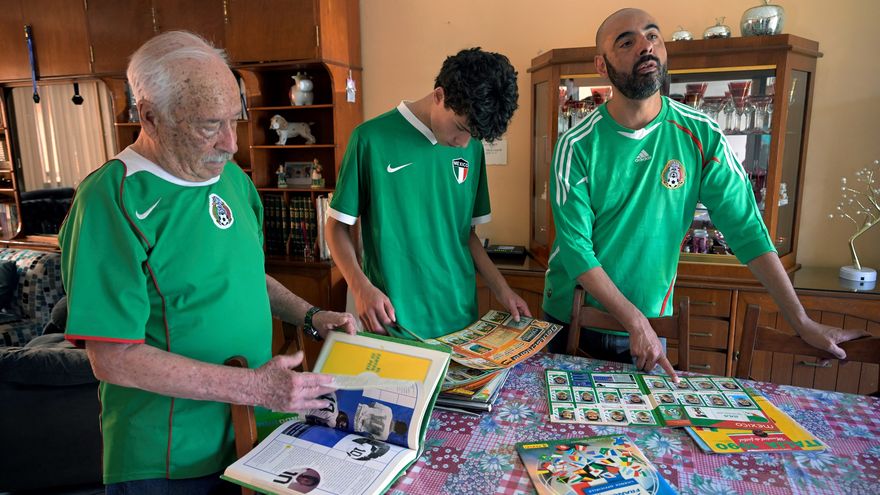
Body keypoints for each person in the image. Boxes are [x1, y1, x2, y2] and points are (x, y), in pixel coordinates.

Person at [58, 31, 357, 491]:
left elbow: (244, 277)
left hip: (249, 433)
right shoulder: (110, 199)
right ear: (149, 116)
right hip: (167, 457)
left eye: (234, 120)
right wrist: (252, 386)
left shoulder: (233, 180)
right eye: (208, 125)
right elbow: (113, 359)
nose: (230, 143)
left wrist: (311, 315)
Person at [542, 8, 869, 379]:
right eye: (626, 42)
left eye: (653, 36)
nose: (645, 47)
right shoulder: (577, 144)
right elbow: (576, 250)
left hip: (650, 321)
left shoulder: (702, 134)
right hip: (573, 318)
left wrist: (802, 320)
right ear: (602, 65)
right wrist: (635, 322)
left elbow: (747, 229)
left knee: (648, 418)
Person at [326, 47, 530, 339]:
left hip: (461, 319)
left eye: (474, 135)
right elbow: (336, 228)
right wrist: (360, 288)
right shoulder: (370, 139)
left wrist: (503, 290)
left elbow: (465, 235)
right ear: (439, 95)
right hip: (396, 321)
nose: (463, 143)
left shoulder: (472, 147)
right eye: (460, 128)